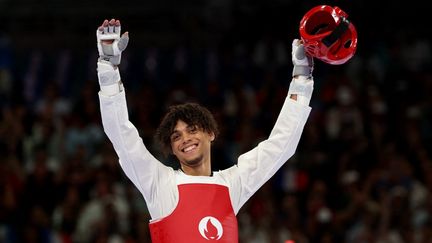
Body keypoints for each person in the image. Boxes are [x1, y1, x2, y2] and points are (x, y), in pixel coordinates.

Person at [96, 18, 314, 242]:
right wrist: (107, 68)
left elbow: (281, 145)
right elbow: (121, 135)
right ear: (172, 148)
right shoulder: (159, 183)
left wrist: (302, 77)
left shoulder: (232, 184)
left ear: (210, 133)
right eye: (176, 136)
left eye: (192, 130)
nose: (185, 139)